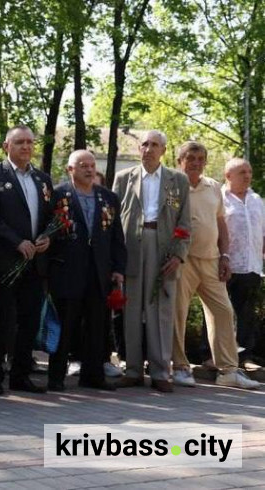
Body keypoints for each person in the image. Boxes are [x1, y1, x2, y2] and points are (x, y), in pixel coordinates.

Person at [172, 143, 258, 389]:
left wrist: (225, 256)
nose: (196, 163)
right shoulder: (172, 186)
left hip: (211, 260)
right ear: (180, 161)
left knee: (223, 312)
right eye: (191, 158)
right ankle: (180, 367)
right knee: (178, 313)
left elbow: (221, 224)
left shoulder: (213, 187)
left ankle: (228, 371)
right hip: (183, 260)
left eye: (201, 158)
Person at [112, 130, 191, 392]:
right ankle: (133, 370)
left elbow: (185, 221)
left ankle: (160, 372)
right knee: (131, 309)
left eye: (154, 145)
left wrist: (178, 254)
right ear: (139, 149)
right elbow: (113, 220)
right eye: (144, 144)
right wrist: (116, 257)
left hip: (164, 246)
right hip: (132, 246)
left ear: (163, 151)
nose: (148, 149)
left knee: (161, 310)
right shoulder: (124, 178)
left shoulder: (178, 180)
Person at [0, 125, 53, 395]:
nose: (26, 147)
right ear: (6, 146)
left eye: (30, 142)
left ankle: (20, 375)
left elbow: (50, 216)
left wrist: (47, 237)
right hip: (6, 260)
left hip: (35, 262)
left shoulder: (42, 179)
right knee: (2, 320)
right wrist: (16, 241)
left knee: (30, 321)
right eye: (20, 142)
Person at [47, 150, 126, 391]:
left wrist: (118, 268)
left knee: (96, 326)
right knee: (66, 325)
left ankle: (93, 376)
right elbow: (48, 232)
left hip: (99, 271)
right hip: (67, 270)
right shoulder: (58, 195)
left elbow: (116, 237)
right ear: (70, 169)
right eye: (83, 165)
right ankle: (56, 377)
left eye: (92, 165)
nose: (89, 170)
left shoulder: (108, 197)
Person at [223, 158, 265, 367]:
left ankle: (244, 357)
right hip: (225, 265)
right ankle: (211, 355)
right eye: (242, 172)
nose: (247, 176)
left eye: (249, 172)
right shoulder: (220, 198)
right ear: (228, 176)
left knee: (246, 314)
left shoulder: (257, 200)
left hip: (251, 265)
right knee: (219, 312)